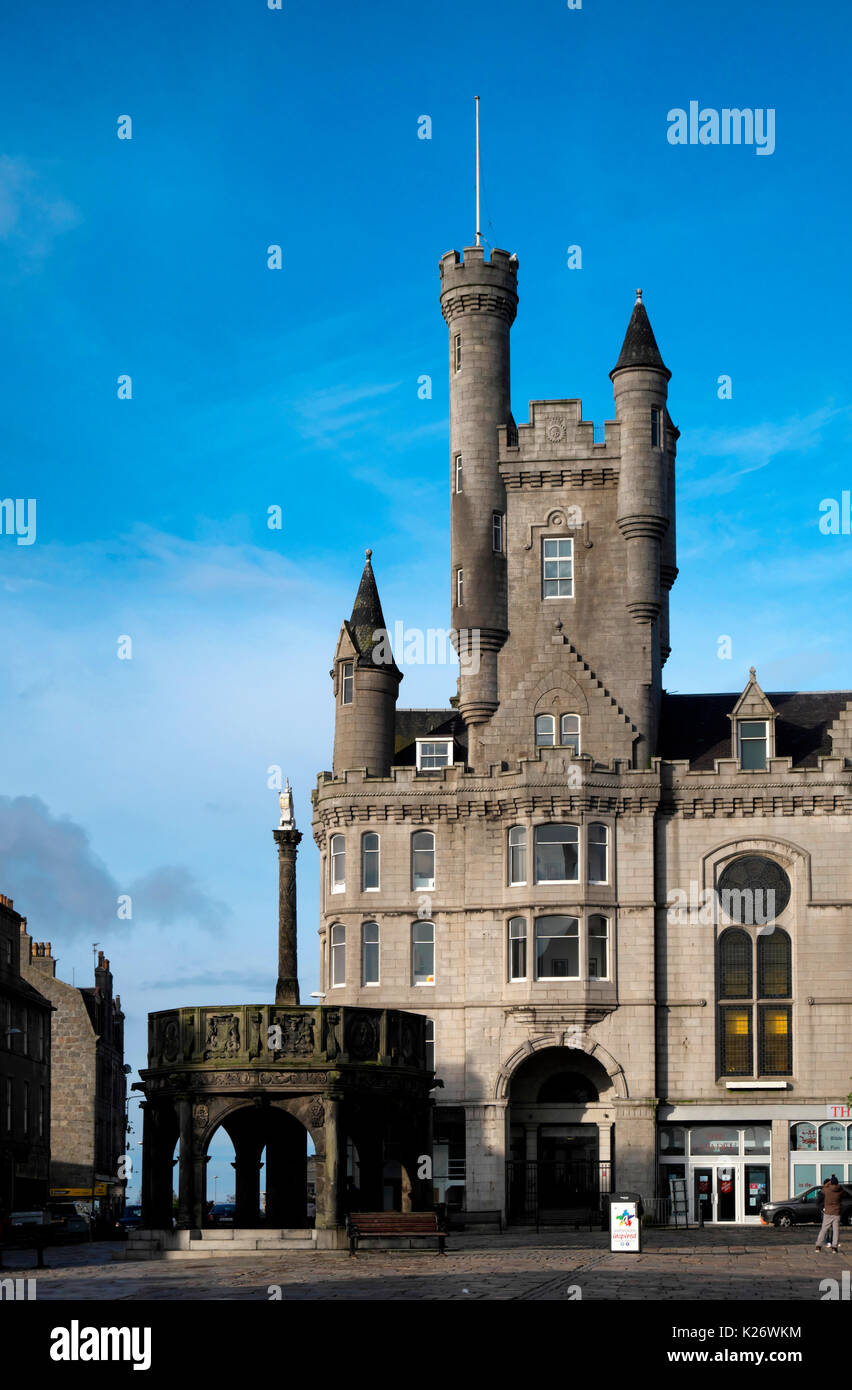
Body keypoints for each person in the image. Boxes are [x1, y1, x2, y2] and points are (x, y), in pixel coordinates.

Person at [815, 1174, 843, 1253]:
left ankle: (818, 1246)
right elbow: (841, 1189)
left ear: (831, 1183)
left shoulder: (826, 1190)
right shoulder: (840, 1191)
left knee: (824, 1229)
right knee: (836, 1231)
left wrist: (830, 1180)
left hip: (828, 1212)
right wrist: (834, 1179)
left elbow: (824, 1188)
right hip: (836, 1213)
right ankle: (834, 1247)